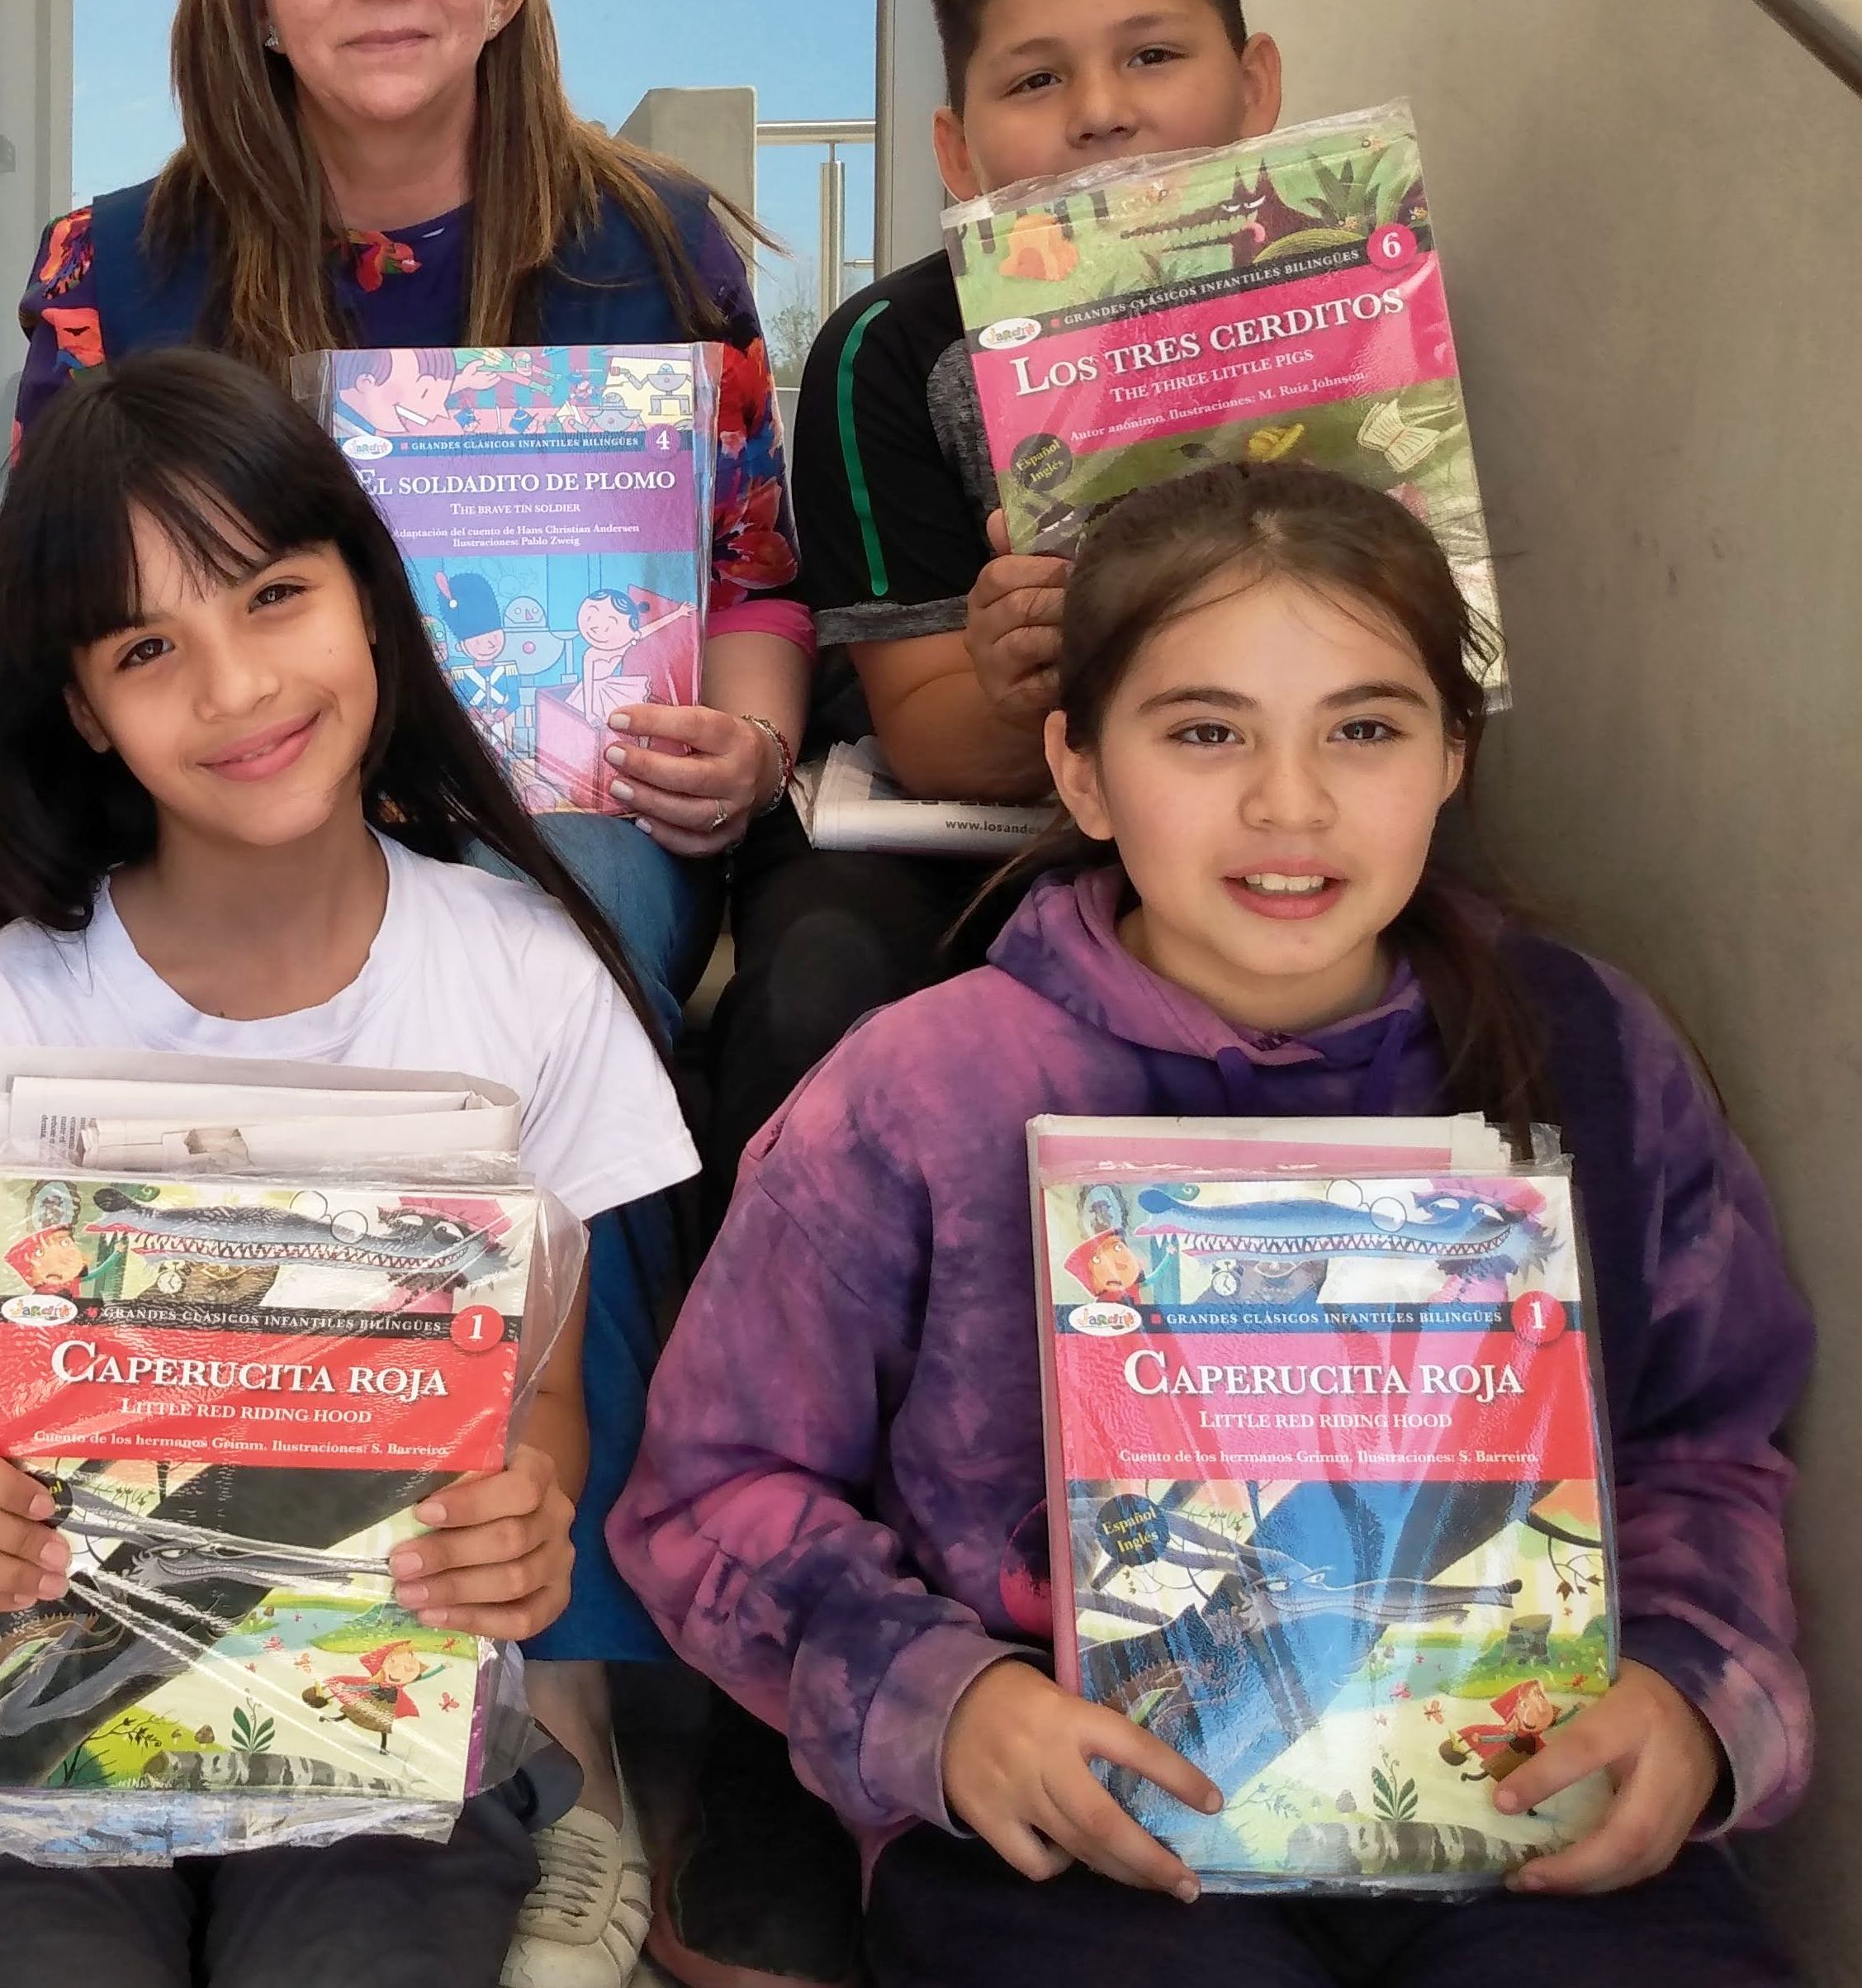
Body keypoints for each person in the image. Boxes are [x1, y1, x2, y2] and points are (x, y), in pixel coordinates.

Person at [617, 462, 1810, 1987]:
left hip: (1520, 1806)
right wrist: (947, 1704)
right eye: (1203, 732)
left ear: (1452, 754)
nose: (1288, 803)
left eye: (1364, 729)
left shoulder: (1587, 1052)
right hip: (1084, 1832)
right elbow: (712, 1488)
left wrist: (1695, 1697)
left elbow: (1703, 1438)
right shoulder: (926, 1092)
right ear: (1081, 768)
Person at [9, 0, 814, 1979]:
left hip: (561, 819)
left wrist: (736, 759)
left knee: (567, 895)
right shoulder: (110, 267)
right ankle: (203, 1561)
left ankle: (542, 1620)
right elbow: (65, 605)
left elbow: (754, 575)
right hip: (228, 800)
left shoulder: (654, 246)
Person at [0, 348, 700, 1988]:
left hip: (389, 1738)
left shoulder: (527, 983)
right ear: (81, 706)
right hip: (39, 1727)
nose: (235, 688)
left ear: (369, 595)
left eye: (274, 594)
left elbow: (544, 1404)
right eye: (151, 645)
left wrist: (531, 1512)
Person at [670, 0, 1287, 1981]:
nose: (1101, 116)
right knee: (810, 987)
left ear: (1253, 81)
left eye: (1153, 57)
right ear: (956, 146)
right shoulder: (889, 350)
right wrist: (1036, 659)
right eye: (1034, 82)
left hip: (1251, 826)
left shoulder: (1350, 298)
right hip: (961, 832)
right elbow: (928, 721)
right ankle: (781, 1714)